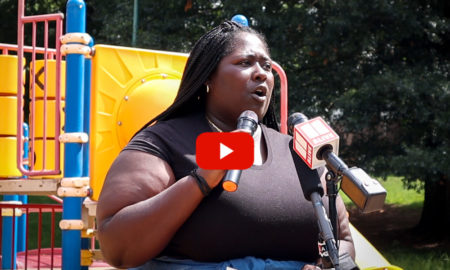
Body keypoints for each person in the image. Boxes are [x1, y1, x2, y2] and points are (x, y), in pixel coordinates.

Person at [96, 21, 355, 270]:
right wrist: (199, 181)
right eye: (245, 63)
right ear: (208, 76)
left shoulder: (296, 152)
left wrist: (327, 264)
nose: (261, 73)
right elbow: (116, 247)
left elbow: (343, 240)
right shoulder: (165, 142)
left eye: (267, 65)